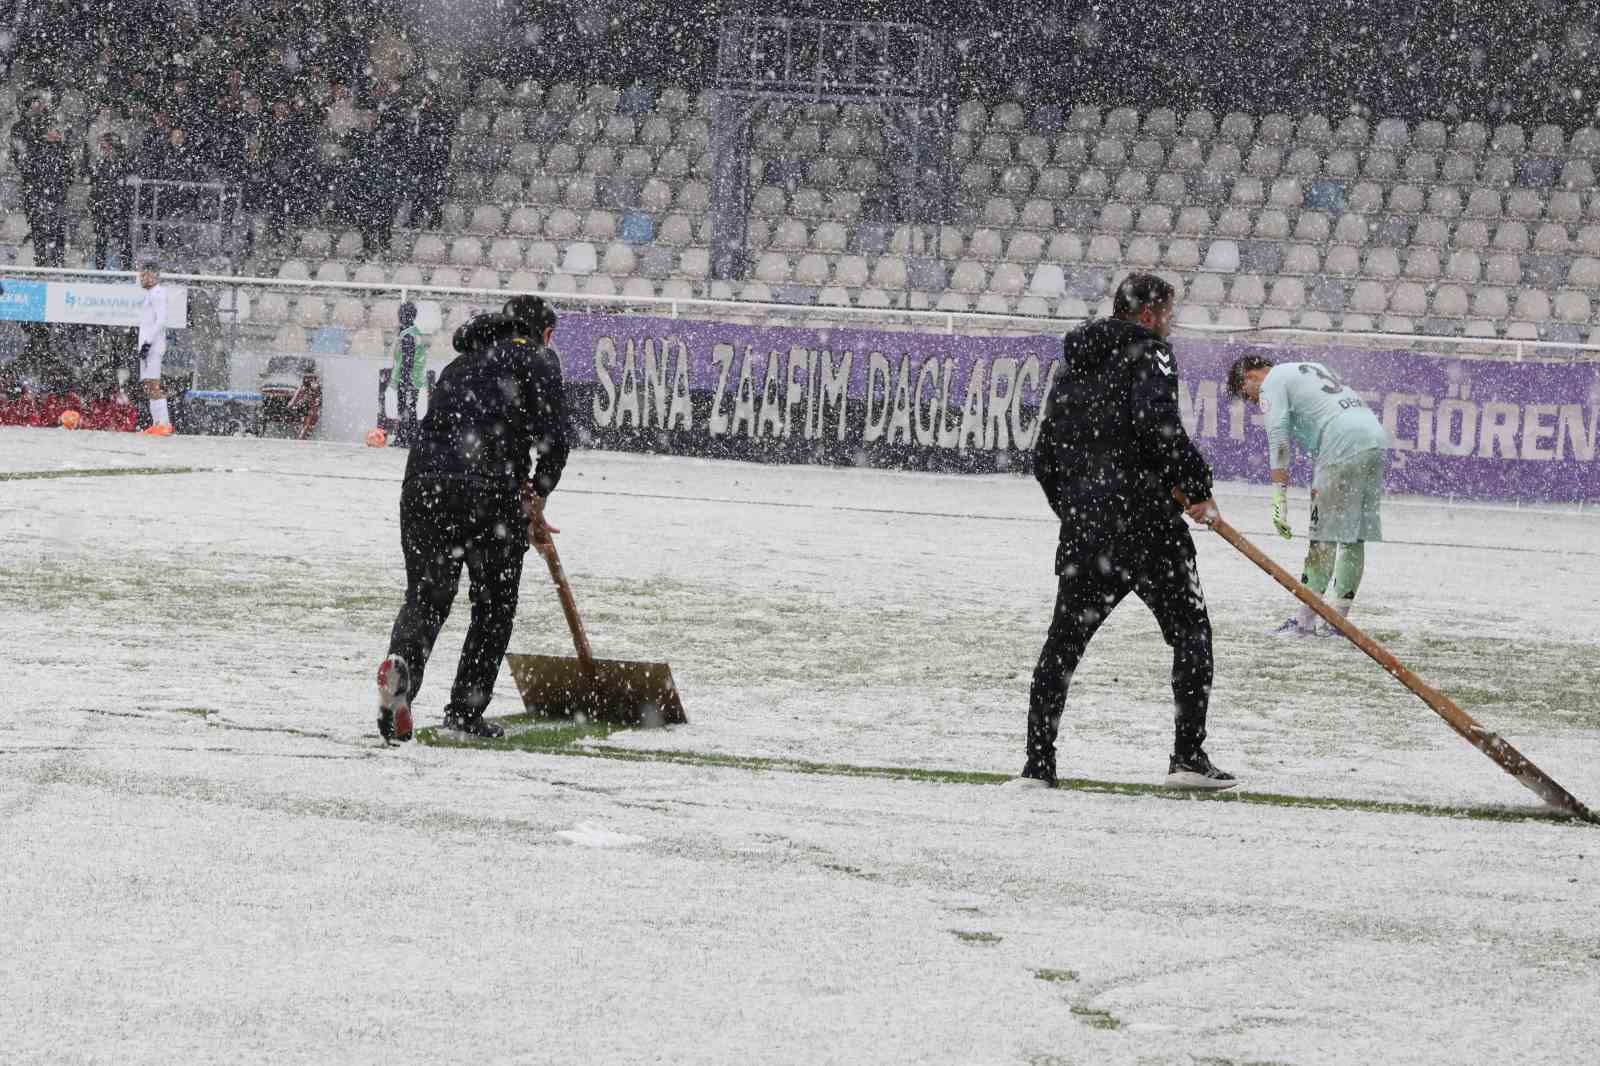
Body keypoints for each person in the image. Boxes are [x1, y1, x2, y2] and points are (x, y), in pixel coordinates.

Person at [1022, 272, 1235, 791]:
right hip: (1148, 528)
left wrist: (1079, 511)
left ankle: (1038, 765)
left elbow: (1044, 457)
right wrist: (1197, 487)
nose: (1171, 325)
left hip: (1088, 532)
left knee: (1062, 647)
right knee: (1191, 634)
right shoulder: (1151, 352)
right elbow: (1157, 425)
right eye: (1168, 314)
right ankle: (1187, 757)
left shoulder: (1074, 361)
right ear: (1148, 314)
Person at [376, 295, 570, 742]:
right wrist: (537, 496)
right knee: (494, 605)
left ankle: (401, 671)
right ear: (545, 333)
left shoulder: (460, 365)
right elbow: (555, 441)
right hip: (487, 492)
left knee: (426, 597)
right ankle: (466, 710)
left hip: (423, 487)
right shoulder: (539, 360)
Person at [1226, 350, 1390, 636]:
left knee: (1322, 536)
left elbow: (1277, 437)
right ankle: (1339, 620)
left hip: (1340, 440)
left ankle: (1304, 621)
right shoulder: (1309, 366)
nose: (1253, 401)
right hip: (1373, 437)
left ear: (1251, 376)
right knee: (1354, 536)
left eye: (1247, 393)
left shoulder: (1271, 381)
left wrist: (1279, 497)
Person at [137, 261, 174, 436]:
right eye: (141, 275)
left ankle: (164, 423)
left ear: (155, 276)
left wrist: (148, 342)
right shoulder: (150, 294)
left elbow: (160, 320)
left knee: (153, 383)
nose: (142, 278)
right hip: (147, 344)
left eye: (146, 275)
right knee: (148, 384)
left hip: (153, 345)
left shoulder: (158, 294)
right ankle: (157, 422)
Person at [88, 131, 134, 270]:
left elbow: (128, 183)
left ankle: (126, 269)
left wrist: (124, 202)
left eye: (106, 145)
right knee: (101, 240)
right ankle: (100, 268)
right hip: (102, 206)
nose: (103, 148)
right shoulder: (99, 162)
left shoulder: (123, 162)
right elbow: (92, 180)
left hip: (119, 206)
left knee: (123, 240)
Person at [389, 300, 428, 445]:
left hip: (408, 378)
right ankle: (409, 437)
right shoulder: (413, 332)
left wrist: (404, 380)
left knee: (405, 407)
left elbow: (407, 360)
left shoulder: (408, 335)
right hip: (414, 377)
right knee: (410, 407)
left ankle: (404, 437)